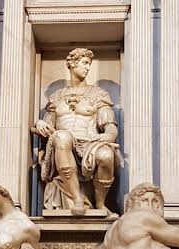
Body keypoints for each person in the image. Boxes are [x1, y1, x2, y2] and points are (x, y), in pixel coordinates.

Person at [33, 48, 121, 216]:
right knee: (61, 136)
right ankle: (77, 199)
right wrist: (39, 123)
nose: (87, 67)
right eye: (84, 63)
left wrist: (108, 135)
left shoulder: (98, 94)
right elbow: (49, 128)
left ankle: (100, 203)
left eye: (89, 64)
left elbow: (109, 125)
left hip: (90, 142)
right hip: (64, 144)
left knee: (106, 155)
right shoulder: (56, 96)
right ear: (72, 64)